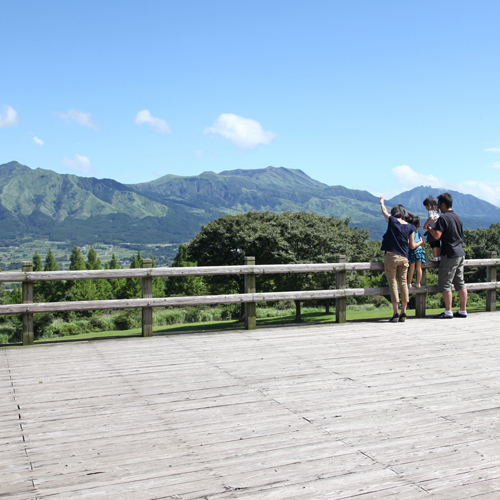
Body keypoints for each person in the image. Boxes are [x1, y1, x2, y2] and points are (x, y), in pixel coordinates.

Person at [426, 192, 468, 319]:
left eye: (439, 204)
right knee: (460, 283)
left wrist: (429, 228)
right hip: (460, 252)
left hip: (449, 254)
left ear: (444, 204)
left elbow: (437, 235)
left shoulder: (443, 218)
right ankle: (462, 310)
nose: (438, 207)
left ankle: (448, 311)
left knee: (445, 283)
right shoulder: (457, 217)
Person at [380, 196, 416, 322]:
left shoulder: (392, 221)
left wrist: (382, 202)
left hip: (392, 257)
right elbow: (410, 244)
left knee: (393, 284)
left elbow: (384, 211)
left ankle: (395, 313)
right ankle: (404, 312)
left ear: (395, 213)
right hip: (405, 258)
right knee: (404, 284)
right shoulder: (411, 227)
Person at [407, 215, 426, 288]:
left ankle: (409, 283)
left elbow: (410, 243)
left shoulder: (411, 233)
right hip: (420, 252)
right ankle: (418, 283)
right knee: (419, 268)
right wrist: (421, 243)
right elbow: (422, 243)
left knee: (412, 267)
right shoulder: (418, 233)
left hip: (413, 251)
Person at [422, 196, 441, 262]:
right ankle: (438, 256)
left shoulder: (431, 211)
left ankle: (435, 256)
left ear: (429, 205)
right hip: (438, 230)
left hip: (432, 230)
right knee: (437, 243)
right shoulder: (437, 211)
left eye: (426, 206)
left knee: (433, 244)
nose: (426, 208)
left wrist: (426, 224)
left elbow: (431, 218)